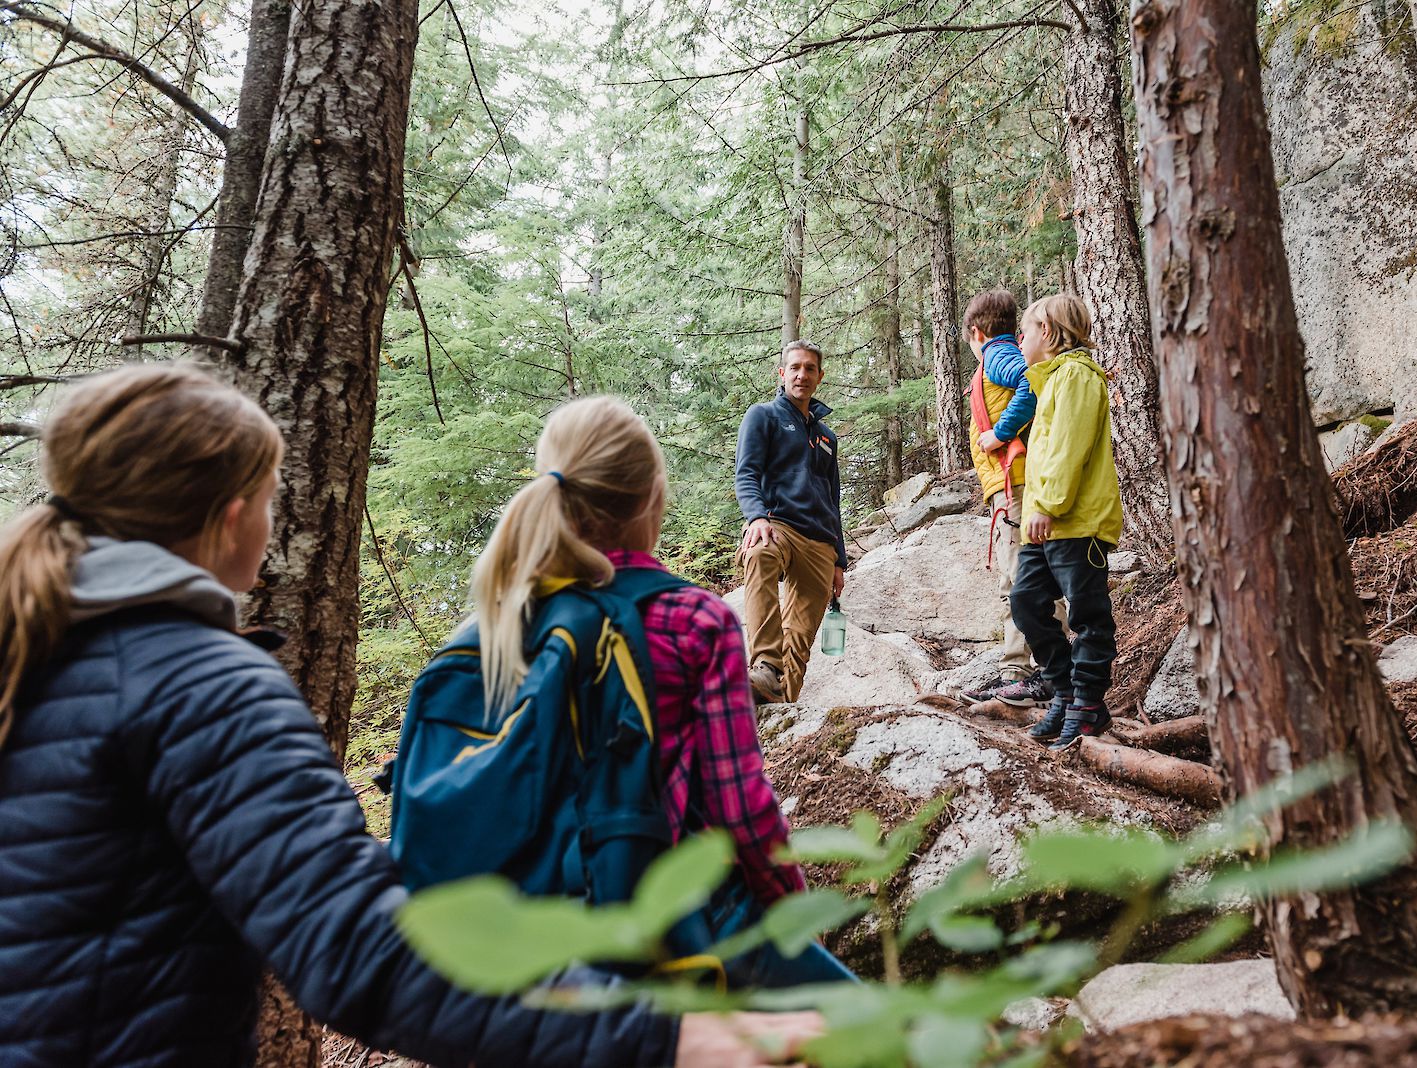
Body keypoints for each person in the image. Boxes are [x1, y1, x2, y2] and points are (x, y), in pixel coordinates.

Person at [0, 363, 821, 1067]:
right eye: (271, 495)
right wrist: (659, 1041)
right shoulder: (201, 686)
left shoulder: (29, 647)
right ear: (229, 518)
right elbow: (355, 945)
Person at [458, 394, 853, 986]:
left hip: (522, 939)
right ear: (654, 499)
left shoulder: (489, 626)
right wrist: (798, 913)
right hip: (670, 921)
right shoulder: (694, 621)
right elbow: (740, 807)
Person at [1007, 295, 1125, 749]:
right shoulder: (1053, 380)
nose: (1021, 339)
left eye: (1027, 329)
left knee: (1087, 614)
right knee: (1026, 601)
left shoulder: (1076, 375)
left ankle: (1089, 703)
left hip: (1074, 521)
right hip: (1048, 522)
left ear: (1050, 333)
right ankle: (1064, 690)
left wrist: (1047, 505)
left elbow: (1068, 449)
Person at [953, 289, 1056, 710]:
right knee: (1015, 580)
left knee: (1027, 578)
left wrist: (999, 432)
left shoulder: (998, 355)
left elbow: (1029, 387)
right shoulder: (1001, 352)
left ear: (976, 333)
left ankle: (1048, 670)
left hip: (1016, 485)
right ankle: (1016, 671)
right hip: (1006, 488)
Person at [734, 339, 847, 705]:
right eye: (795, 368)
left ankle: (780, 708)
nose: (802, 375)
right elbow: (746, 474)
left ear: (819, 376)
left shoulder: (827, 437)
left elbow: (833, 500)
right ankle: (765, 664)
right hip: (778, 525)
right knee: (758, 553)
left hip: (820, 544)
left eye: (810, 368)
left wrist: (839, 560)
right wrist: (755, 518)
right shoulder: (763, 416)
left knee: (800, 637)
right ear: (782, 373)